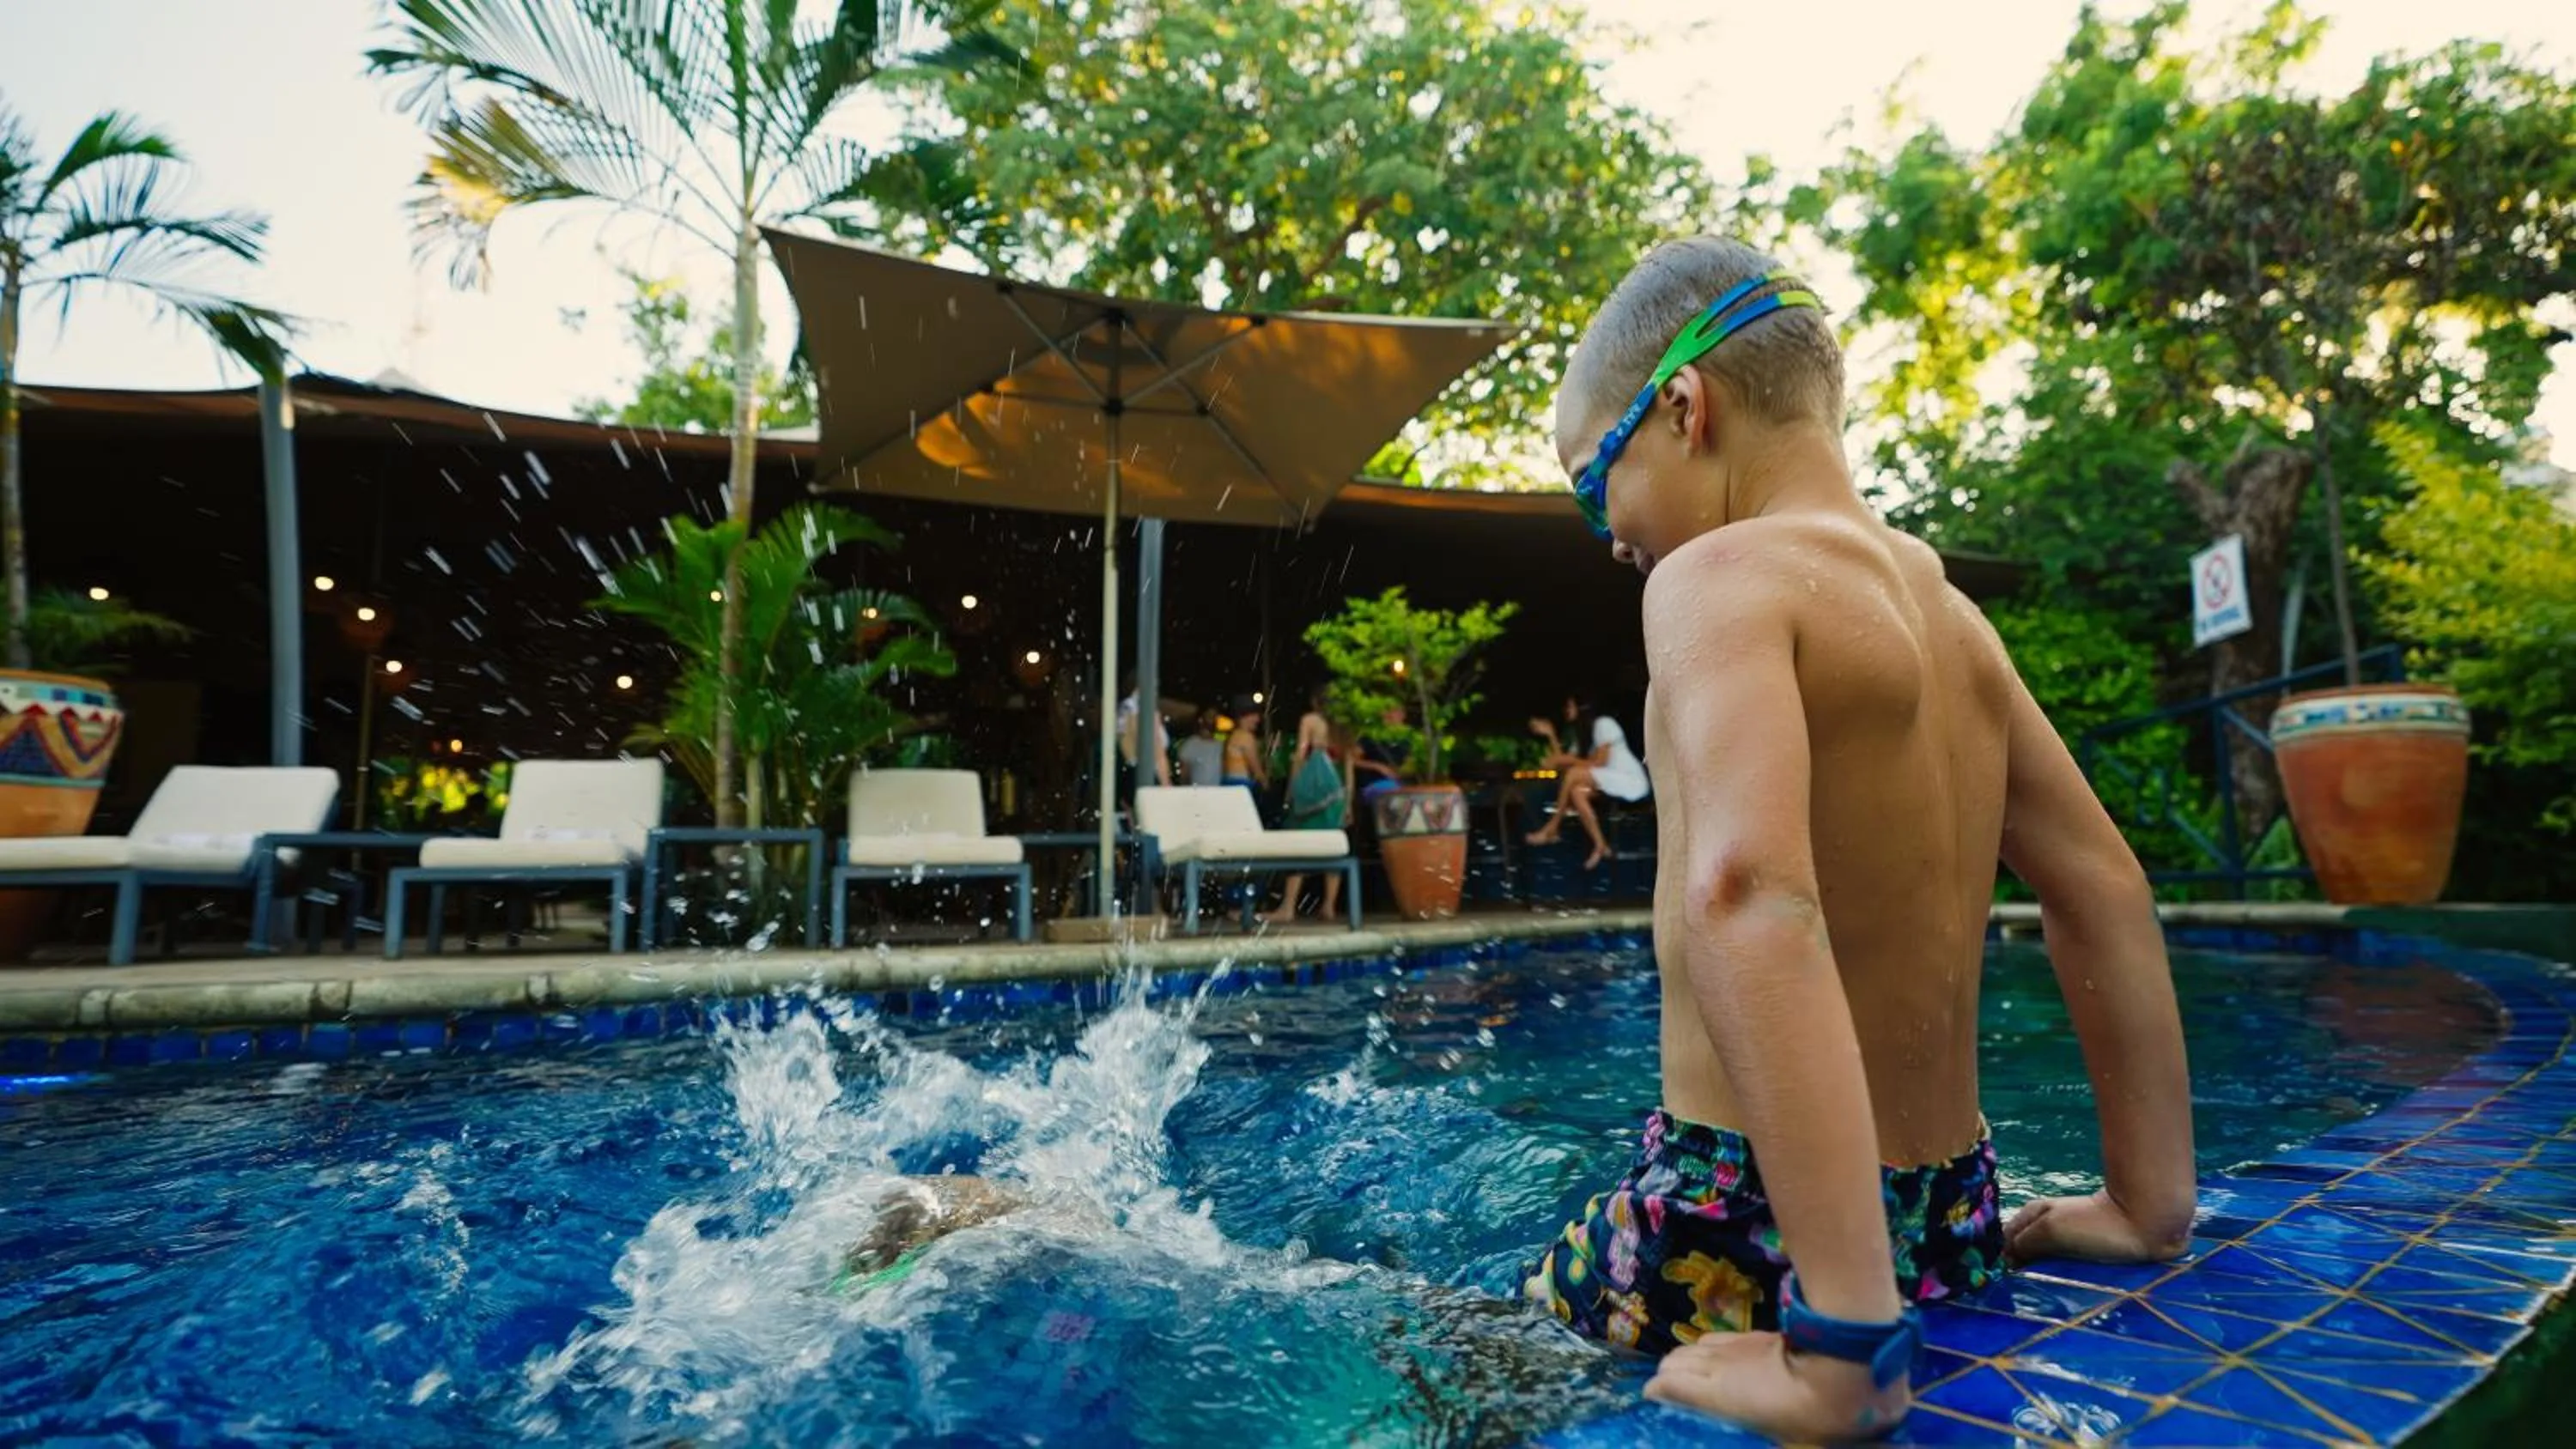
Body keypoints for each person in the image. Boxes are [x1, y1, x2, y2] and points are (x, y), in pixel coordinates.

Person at [1525, 238, 2196, 1441]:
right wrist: (2147, 1208)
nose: (1608, 535)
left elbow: (1749, 897)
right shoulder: (1954, 622)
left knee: (1429, 1363)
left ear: (1685, 408)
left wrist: (1842, 1349)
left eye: (1593, 485)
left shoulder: (1715, 579)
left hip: (1743, 1230)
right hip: (1955, 1221)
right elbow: (2102, 883)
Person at [1525, 694, 1649, 870]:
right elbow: (1564, 767)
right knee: (1576, 791)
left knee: (1575, 775)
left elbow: (1599, 763)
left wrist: (1566, 759)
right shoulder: (1584, 735)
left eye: (1570, 706)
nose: (1566, 711)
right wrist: (1551, 735)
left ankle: (1553, 827)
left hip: (1629, 780)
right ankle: (1600, 844)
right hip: (1609, 781)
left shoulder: (1604, 724)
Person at [1267, 688, 1349, 925]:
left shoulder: (1310, 720)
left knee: (1300, 844)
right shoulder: (1342, 727)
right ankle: (1329, 907)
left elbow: (1300, 755)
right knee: (1333, 846)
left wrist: (1291, 790)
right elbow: (1349, 764)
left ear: (1315, 701)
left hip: (1313, 793)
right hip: (1336, 793)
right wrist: (1348, 802)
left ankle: (1288, 907)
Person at [1220, 699, 1268, 799]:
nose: (1258, 719)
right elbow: (1257, 771)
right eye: (1254, 715)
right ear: (1244, 716)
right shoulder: (1246, 737)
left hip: (1227, 785)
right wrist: (1266, 786)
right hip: (1242, 787)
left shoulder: (1231, 736)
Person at [1176, 709, 1227, 787]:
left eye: (1215, 717)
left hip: (1218, 793)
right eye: (1209, 716)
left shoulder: (1221, 745)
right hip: (1197, 793)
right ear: (1201, 719)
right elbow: (1184, 774)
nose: (1212, 720)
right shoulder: (1190, 744)